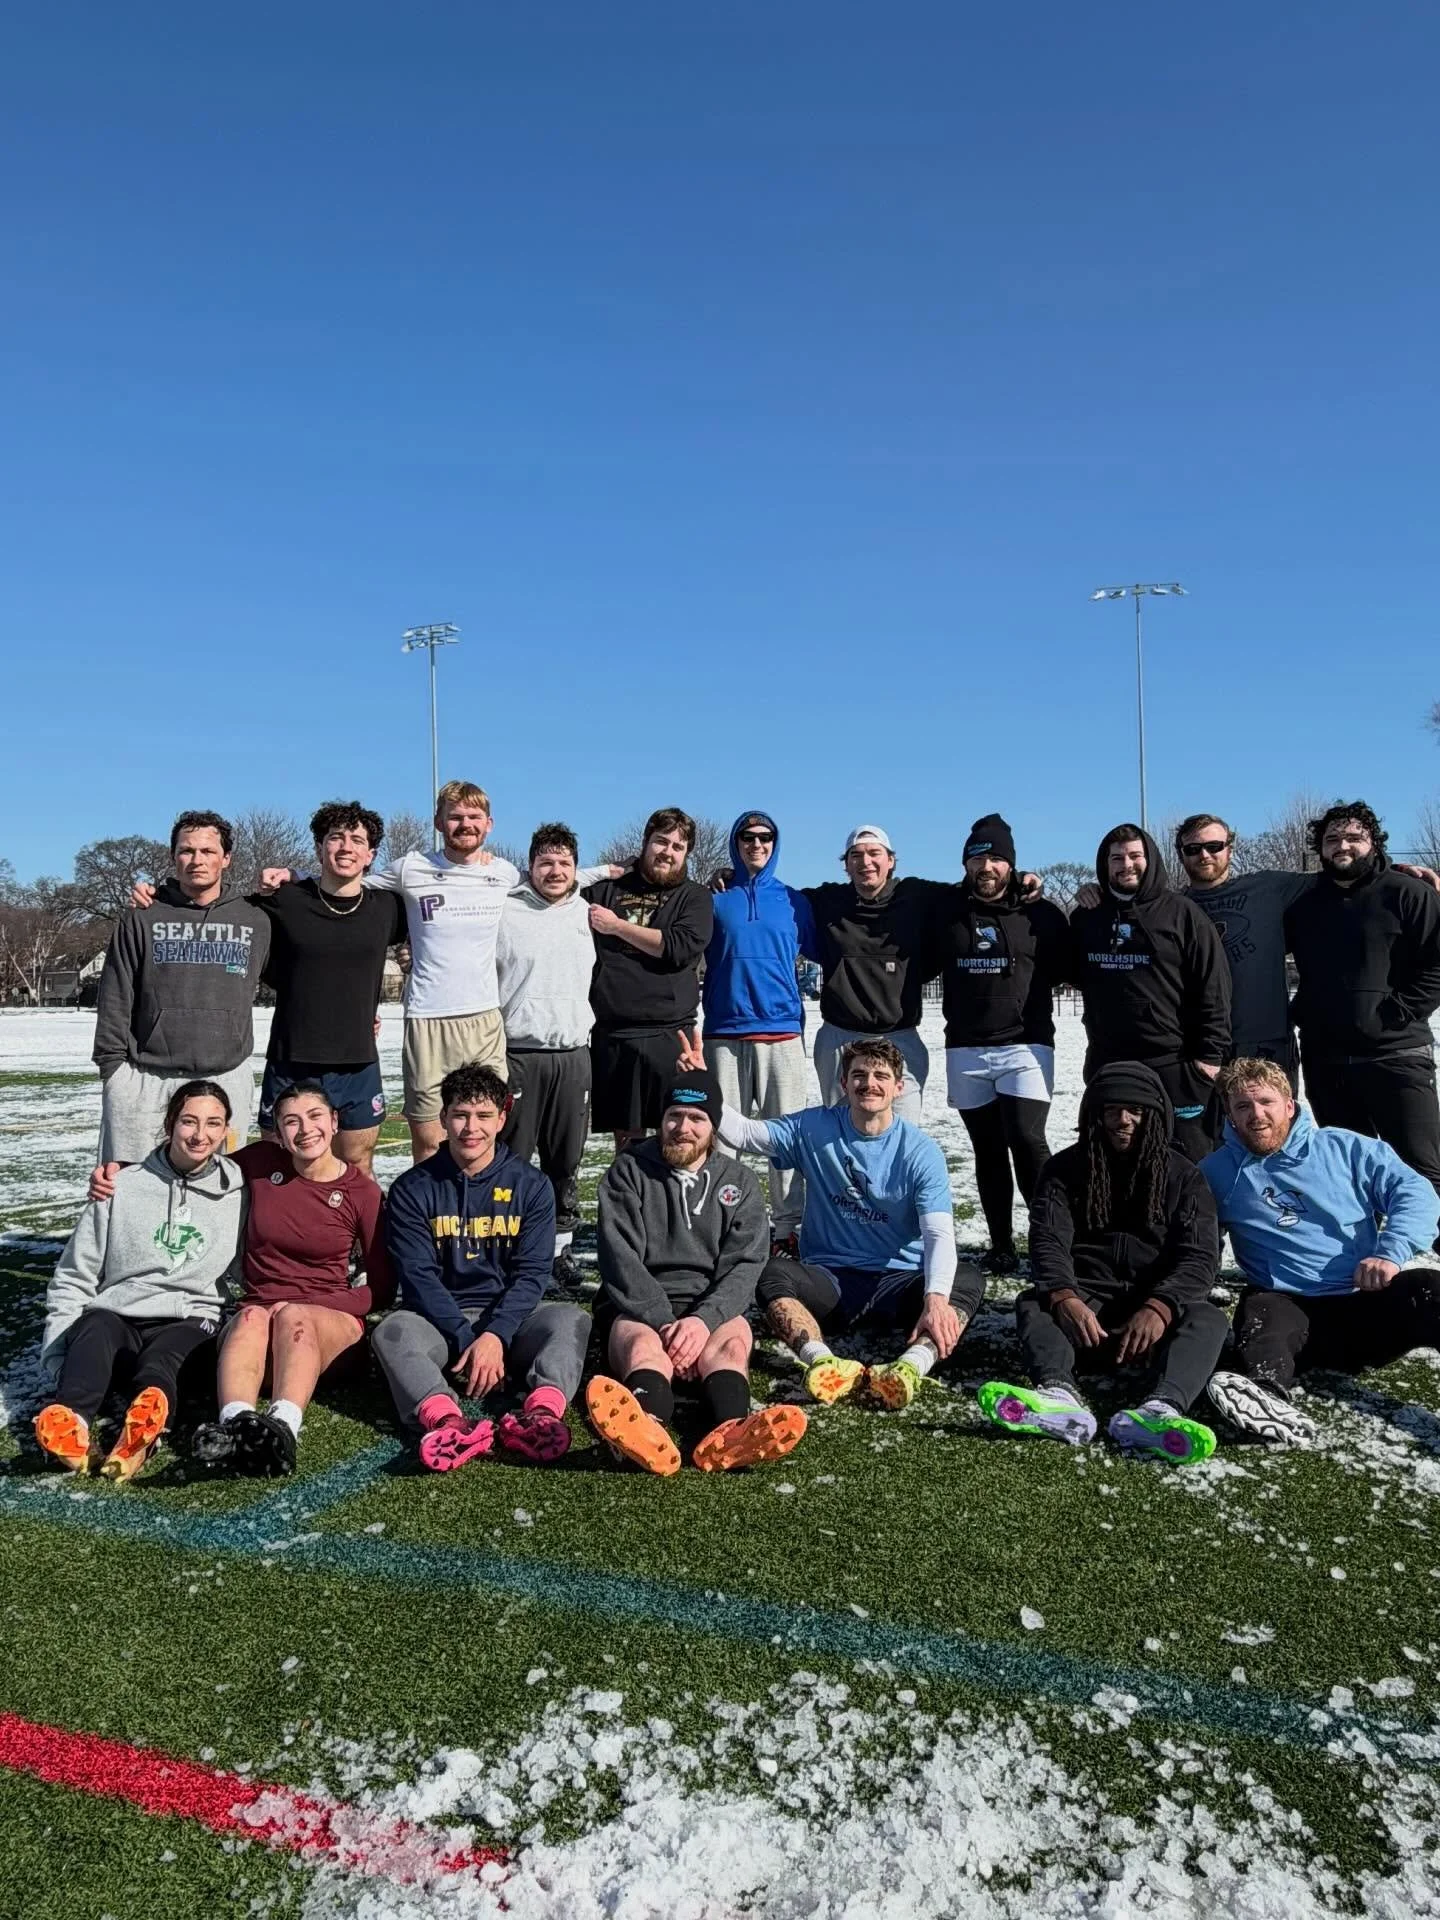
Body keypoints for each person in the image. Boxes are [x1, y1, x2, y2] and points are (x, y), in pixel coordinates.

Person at [681, 1030, 980, 1409]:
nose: (869, 1084)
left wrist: (934, 1301)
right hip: (831, 1283)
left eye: (881, 1076)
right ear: (843, 1082)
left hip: (899, 1283)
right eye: (859, 1075)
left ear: (899, 1087)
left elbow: (938, 1234)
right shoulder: (814, 1128)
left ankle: (910, 1367)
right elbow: (745, 1134)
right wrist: (704, 1084)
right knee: (771, 1273)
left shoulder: (921, 1152)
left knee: (965, 1280)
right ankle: (822, 1362)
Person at [131, 800, 408, 1175]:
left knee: (356, 1165)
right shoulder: (283, 900)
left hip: (357, 1061)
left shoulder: (389, 908)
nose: (346, 847)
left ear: (370, 854)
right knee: (279, 1167)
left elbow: (438, 931)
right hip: (291, 1057)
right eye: (335, 838)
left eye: (357, 840)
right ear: (319, 848)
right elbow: (215, 908)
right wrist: (159, 897)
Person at [977, 1062, 1225, 1463]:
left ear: (1157, 1116)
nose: (1123, 1120)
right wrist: (1065, 1297)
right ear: (1093, 1115)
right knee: (1034, 1303)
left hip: (1151, 1325)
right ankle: (1057, 1395)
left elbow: (1200, 1257)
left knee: (1208, 1317)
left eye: (1136, 1111)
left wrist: (1160, 1307)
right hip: (1085, 1316)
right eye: (1111, 1110)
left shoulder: (1185, 1176)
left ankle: (1161, 1409)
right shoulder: (1062, 1170)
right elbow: (1047, 1242)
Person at [1202, 1057, 1440, 1445]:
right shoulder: (1216, 1172)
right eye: (1243, 1106)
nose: (1256, 1115)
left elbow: (1416, 1192)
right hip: (1286, 1310)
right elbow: (1191, 1233)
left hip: (1363, 1304)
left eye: (1266, 1102)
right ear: (1229, 1115)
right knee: (1261, 1310)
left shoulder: (1345, 1148)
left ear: (1289, 1105)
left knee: (1429, 1286)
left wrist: (1390, 1252)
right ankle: (1265, 1397)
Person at [587, 1068, 806, 1475]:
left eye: (696, 1118)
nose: (682, 1128)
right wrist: (666, 1324)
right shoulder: (628, 1171)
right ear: (661, 1119)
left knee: (732, 1346)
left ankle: (731, 1432)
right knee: (642, 1348)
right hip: (641, 1306)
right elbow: (620, 1260)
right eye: (674, 1116)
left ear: (714, 1127)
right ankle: (645, 1430)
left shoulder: (739, 1181)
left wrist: (702, 1322)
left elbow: (746, 1265)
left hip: (710, 1306)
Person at [376, 1063, 590, 1471]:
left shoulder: (532, 1185)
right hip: (440, 1322)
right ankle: (446, 1421)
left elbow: (532, 1274)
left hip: (515, 1319)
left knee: (571, 1320)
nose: (471, 1127)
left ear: (502, 1119)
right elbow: (419, 1278)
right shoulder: (412, 1188)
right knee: (391, 1331)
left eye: (483, 1115)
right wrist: (466, 1337)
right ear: (443, 1118)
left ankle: (541, 1415)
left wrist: (495, 1334)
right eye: (460, 1114)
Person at [34, 1081, 244, 1479]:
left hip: (191, 1318)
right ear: (170, 1124)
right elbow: (74, 1275)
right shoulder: (119, 1185)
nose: (200, 1134)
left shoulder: (239, 1192)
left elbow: (255, 1266)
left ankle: (145, 1425)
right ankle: (71, 1423)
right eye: (189, 1121)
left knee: (163, 1358)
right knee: (96, 1325)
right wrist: (59, 1356)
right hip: (120, 1317)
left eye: (213, 1123)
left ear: (226, 1130)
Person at [187, 1083, 393, 1474]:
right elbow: (195, 1168)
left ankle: (283, 1428)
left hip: (329, 1327)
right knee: (250, 1315)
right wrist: (125, 1170)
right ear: (279, 1133)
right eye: (291, 1121)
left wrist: (302, 1305)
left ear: (334, 1122)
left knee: (293, 1316)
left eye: (315, 1116)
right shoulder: (261, 1161)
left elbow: (382, 1290)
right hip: (258, 1326)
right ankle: (234, 1428)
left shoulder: (363, 1192)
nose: (305, 1129)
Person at [1284, 801, 1440, 1216]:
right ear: (1320, 847)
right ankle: (1365, 1252)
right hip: (1327, 1060)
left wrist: (1397, 1012)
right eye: (1333, 838)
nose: (1343, 846)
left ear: (1374, 842)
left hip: (1397, 1056)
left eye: (1355, 837)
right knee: (1350, 1173)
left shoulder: (1408, 892)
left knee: (1421, 1170)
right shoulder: (1303, 903)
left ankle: (1427, 1246)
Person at [928, 814, 1068, 1270]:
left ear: (1011, 863)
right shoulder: (946, 909)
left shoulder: (1040, 913)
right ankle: (1001, 1245)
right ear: (965, 864)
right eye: (976, 859)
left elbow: (1069, 967)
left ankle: (1051, 1243)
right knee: (986, 1149)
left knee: (1027, 1139)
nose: (985, 867)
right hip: (965, 1047)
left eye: (995, 859)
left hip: (1025, 1044)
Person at [93, 811, 271, 1163]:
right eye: (187, 851)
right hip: (145, 1077)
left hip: (225, 1076)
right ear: (173, 856)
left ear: (226, 858)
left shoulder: (255, 919)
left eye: (207, 851)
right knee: (131, 1184)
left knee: (218, 1187)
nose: (197, 860)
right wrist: (113, 1072)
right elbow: (115, 995)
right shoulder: (143, 915)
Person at [1065, 824, 1230, 1162]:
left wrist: (1210, 1057)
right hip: (1108, 1062)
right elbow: (1068, 972)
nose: (1127, 864)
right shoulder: (1087, 917)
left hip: (1175, 1063)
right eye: (1117, 858)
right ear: (1104, 864)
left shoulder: (1183, 914)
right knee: (1112, 1161)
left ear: (1150, 858)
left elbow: (1213, 986)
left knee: (1188, 1162)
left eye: (1135, 855)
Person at [701, 810, 817, 1253]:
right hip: (724, 1033)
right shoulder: (714, 899)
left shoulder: (794, 901)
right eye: (747, 837)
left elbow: (832, 950)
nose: (757, 844)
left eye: (765, 837)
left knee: (785, 1141)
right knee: (723, 1139)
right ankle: (722, 1226)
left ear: (775, 843)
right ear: (736, 843)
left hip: (781, 1032)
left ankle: (787, 1230)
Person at [496, 824, 600, 1289]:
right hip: (519, 1052)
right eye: (546, 862)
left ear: (576, 868)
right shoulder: (506, 908)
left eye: (564, 863)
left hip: (573, 1054)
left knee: (565, 1159)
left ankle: (559, 1250)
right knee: (512, 1159)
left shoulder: (588, 910)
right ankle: (511, 1249)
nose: (555, 871)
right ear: (531, 866)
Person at [585, 808, 714, 1154]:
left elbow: (678, 947)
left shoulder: (695, 896)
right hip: (615, 1033)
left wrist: (617, 927)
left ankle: (673, 1192)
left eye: (678, 846)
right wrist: (601, 871)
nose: (668, 852)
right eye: (661, 841)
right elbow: (561, 888)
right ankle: (629, 1190)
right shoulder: (606, 890)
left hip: (671, 1034)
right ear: (645, 842)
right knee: (627, 1144)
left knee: (676, 1135)